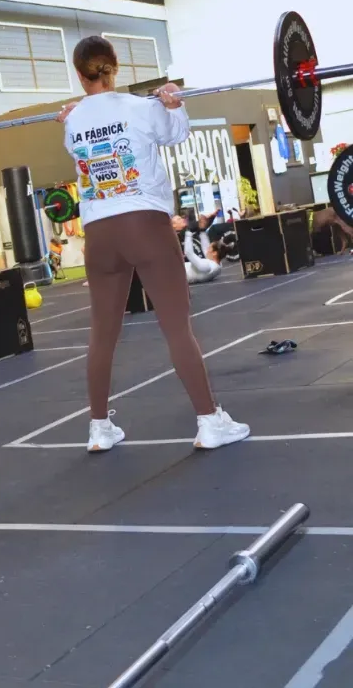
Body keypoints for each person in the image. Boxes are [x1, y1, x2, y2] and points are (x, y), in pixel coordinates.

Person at [57, 36, 249, 453]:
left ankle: (98, 429)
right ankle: (210, 421)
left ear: (78, 74)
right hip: (144, 223)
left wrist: (72, 115)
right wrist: (174, 103)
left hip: (100, 235)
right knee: (177, 326)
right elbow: (176, 135)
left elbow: (75, 144)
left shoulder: (71, 121)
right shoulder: (141, 107)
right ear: (115, 67)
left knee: (102, 335)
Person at [171, 215, 227, 284]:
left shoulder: (206, 267)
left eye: (210, 248)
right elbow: (205, 248)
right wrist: (202, 231)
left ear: (214, 253)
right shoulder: (217, 265)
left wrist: (188, 232)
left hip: (172, 276)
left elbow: (189, 253)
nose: (207, 249)